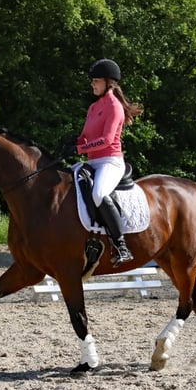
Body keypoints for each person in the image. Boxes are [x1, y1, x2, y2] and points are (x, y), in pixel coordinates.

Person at [67, 58, 144, 266]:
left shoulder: (114, 107)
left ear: (109, 83)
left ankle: (121, 245)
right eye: (92, 80)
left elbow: (107, 140)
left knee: (99, 193)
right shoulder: (93, 107)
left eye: (96, 80)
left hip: (110, 162)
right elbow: (85, 137)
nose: (92, 84)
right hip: (92, 162)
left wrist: (81, 148)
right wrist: (72, 142)